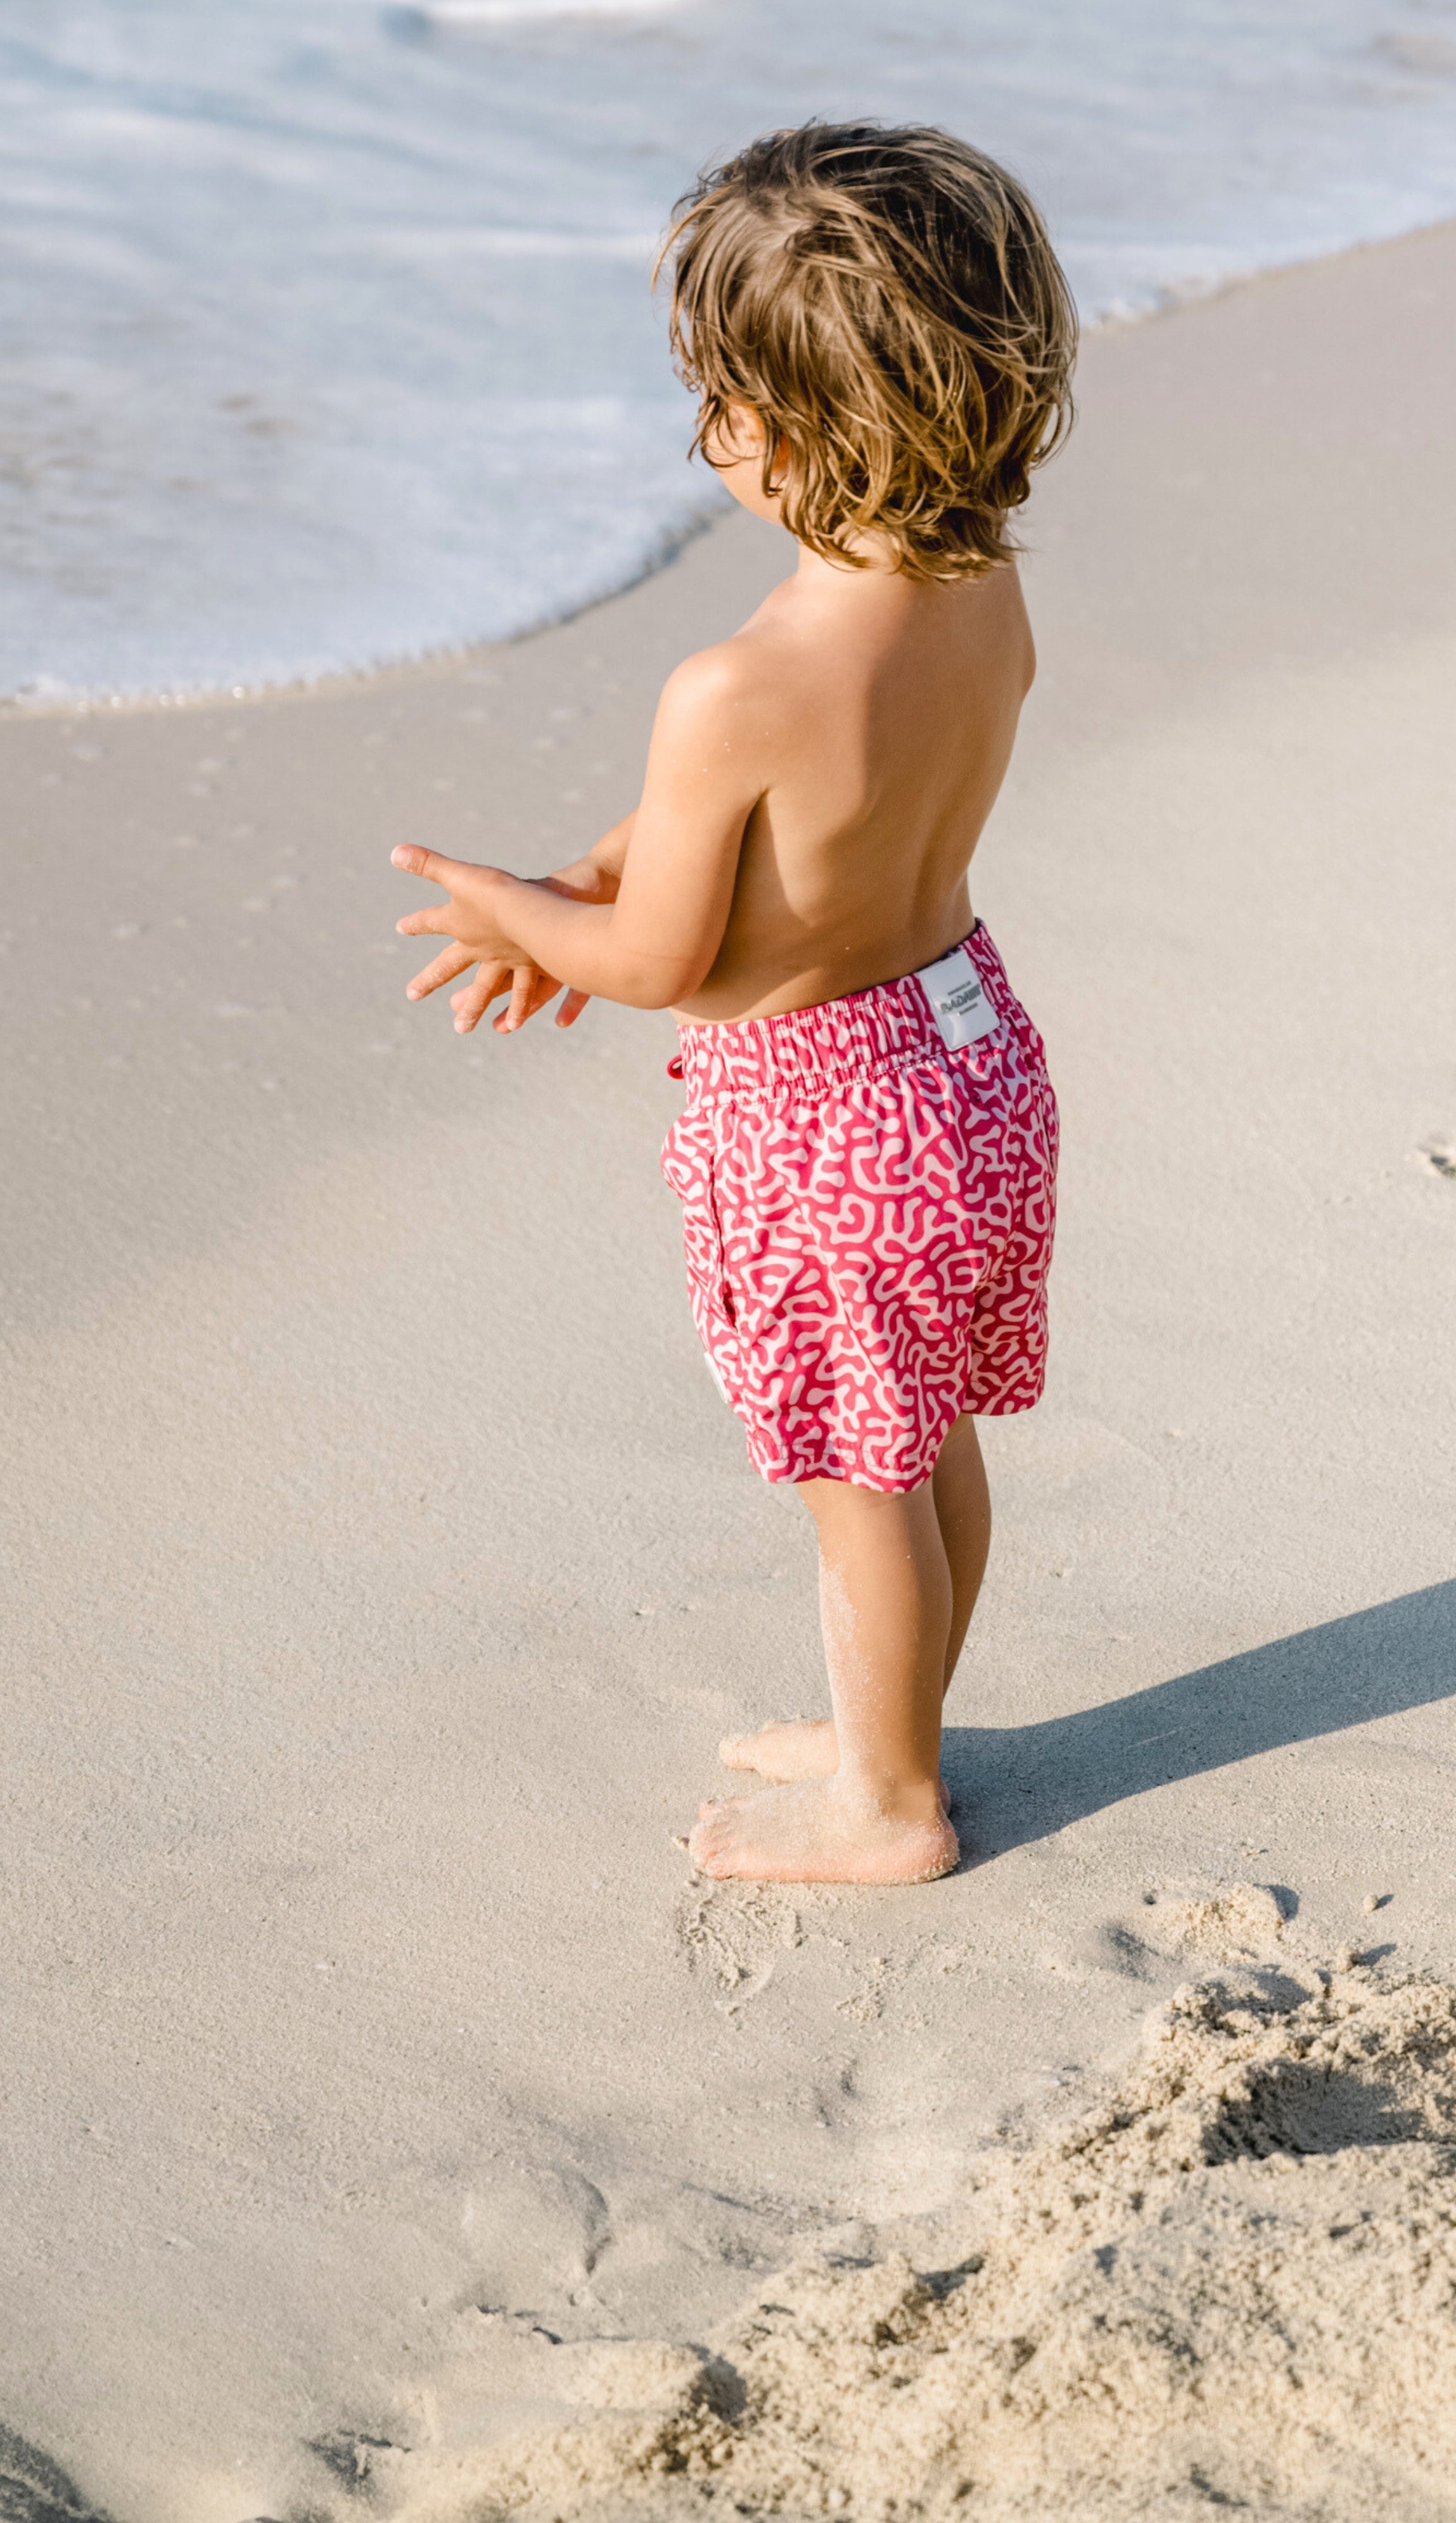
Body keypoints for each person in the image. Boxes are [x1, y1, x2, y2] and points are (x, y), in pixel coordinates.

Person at [392, 120, 1074, 1884]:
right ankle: (891, 1722)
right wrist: (598, 868)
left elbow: (664, 967)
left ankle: (889, 1803)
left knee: (859, 1479)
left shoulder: (739, 679)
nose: (713, 436)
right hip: (967, 1048)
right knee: (927, 1442)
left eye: (725, 402)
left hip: (821, 1112)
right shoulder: (974, 587)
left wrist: (518, 907)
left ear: (799, 430)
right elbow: (773, 836)